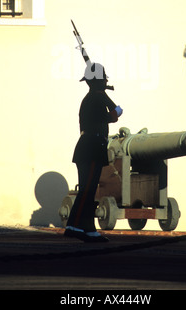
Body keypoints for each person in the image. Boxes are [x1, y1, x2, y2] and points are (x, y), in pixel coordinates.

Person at [64, 62, 123, 242]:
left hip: (90, 147)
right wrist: (111, 104)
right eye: (103, 78)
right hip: (91, 147)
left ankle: (83, 228)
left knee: (88, 191)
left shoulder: (93, 98)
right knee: (88, 190)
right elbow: (113, 115)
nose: (106, 81)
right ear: (99, 81)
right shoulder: (95, 99)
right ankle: (77, 227)